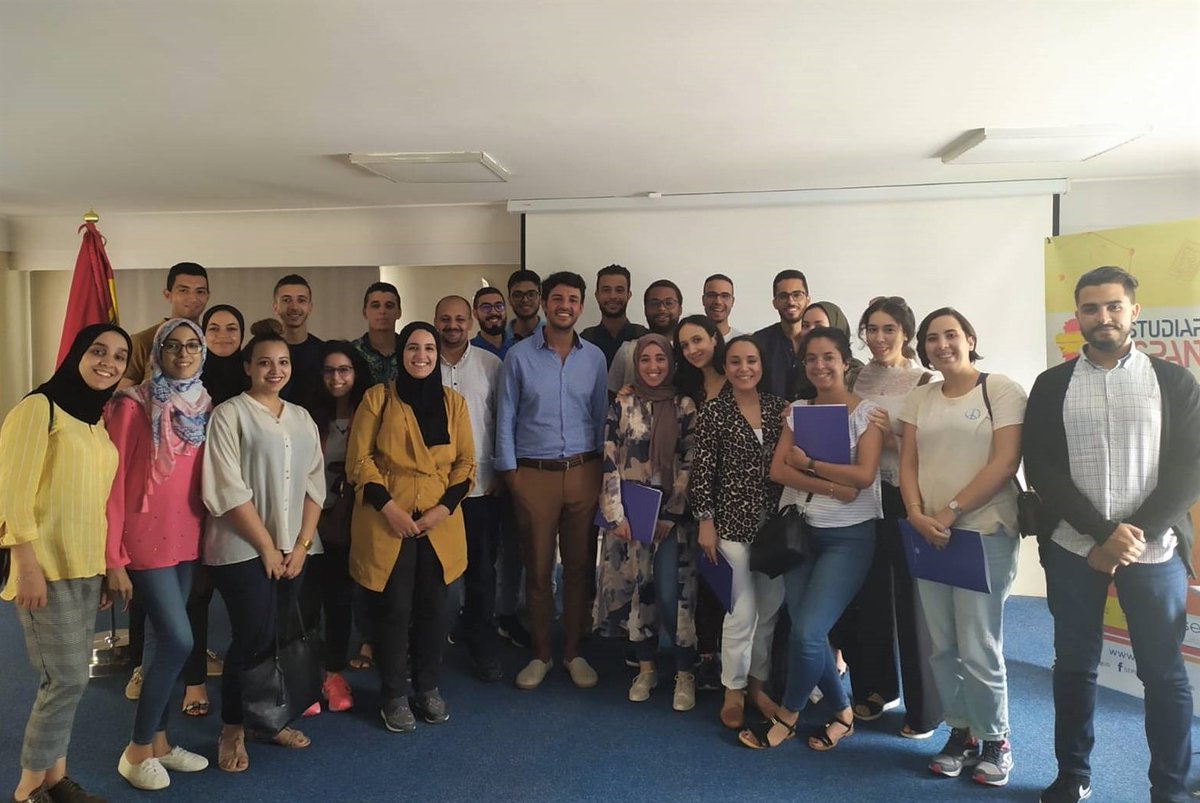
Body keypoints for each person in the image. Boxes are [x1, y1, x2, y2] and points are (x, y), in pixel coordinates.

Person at [1024, 267, 1200, 803]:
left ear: (1133, 312)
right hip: (1075, 548)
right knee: (1074, 665)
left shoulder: (1173, 381)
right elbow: (1042, 470)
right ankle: (1072, 775)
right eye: (1091, 308)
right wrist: (1102, 534)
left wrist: (1134, 534)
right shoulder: (1052, 384)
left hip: (1156, 552)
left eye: (1113, 307)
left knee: (1163, 673)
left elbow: (1189, 468)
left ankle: (1169, 788)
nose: (1103, 317)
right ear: (1077, 316)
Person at [1, 323, 130, 803]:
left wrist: (100, 566)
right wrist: (25, 563)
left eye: (119, 356)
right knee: (67, 679)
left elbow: (91, 501)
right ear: (77, 353)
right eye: (98, 351)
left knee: (68, 680)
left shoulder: (95, 420)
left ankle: (56, 779)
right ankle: (27, 789)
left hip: (82, 565)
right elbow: (12, 494)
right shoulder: (40, 409)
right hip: (45, 568)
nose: (108, 363)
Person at [739, 326, 883, 752]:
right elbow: (779, 471)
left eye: (828, 357)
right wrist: (832, 485)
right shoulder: (798, 410)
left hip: (849, 538)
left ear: (845, 362)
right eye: (811, 359)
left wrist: (813, 465)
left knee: (807, 632)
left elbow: (864, 477)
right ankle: (842, 711)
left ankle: (788, 714)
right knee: (809, 633)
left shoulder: (867, 413)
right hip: (800, 534)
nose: (820, 366)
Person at [899, 307, 1026, 786]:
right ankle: (961, 733)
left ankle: (996, 738)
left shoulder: (1001, 390)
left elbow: (1003, 462)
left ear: (970, 338)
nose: (941, 345)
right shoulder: (922, 397)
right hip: (928, 533)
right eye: (932, 338)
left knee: (979, 645)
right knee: (942, 646)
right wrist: (914, 513)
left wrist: (948, 512)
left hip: (981, 533)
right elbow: (908, 462)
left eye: (951, 335)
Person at [202, 331, 325, 772]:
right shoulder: (230, 414)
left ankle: (269, 720)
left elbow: (315, 485)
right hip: (241, 549)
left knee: (282, 637)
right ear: (248, 368)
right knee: (252, 638)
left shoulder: (301, 417)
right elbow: (226, 489)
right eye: (265, 362)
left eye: (283, 362)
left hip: (296, 548)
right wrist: (266, 547)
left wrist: (302, 545)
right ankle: (233, 727)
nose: (275, 370)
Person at [346, 322, 476, 732]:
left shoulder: (453, 403)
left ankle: (427, 686)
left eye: (429, 349)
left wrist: (442, 510)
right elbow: (360, 461)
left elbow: (465, 464)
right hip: (390, 521)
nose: (421, 356)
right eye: (413, 348)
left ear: (438, 356)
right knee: (395, 610)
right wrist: (390, 509)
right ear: (400, 353)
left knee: (437, 610)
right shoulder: (378, 399)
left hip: (440, 521)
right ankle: (393, 694)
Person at [104, 319, 212, 790]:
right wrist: (114, 555)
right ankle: (135, 749)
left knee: (157, 644)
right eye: (174, 345)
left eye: (193, 345)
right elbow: (109, 484)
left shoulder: (205, 404)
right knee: (180, 640)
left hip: (188, 535)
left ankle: (161, 744)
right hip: (143, 538)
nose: (184, 353)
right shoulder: (132, 405)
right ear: (157, 351)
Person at [495, 271, 608, 690]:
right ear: (544, 303)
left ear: (581, 306)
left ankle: (573, 652)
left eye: (573, 299)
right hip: (533, 475)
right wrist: (510, 474)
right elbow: (504, 416)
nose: (565, 305)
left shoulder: (594, 357)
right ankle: (541, 653)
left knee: (579, 568)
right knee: (539, 570)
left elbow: (600, 416)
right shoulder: (519, 357)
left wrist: (601, 473)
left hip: (584, 472)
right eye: (557, 297)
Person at [838, 296, 939, 739]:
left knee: (913, 604)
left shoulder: (924, 380)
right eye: (871, 330)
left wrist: (887, 438)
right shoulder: (857, 375)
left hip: (903, 495)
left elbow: (929, 451)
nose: (878, 339)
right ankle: (875, 689)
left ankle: (924, 708)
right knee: (867, 597)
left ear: (906, 334)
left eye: (888, 330)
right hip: (862, 496)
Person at [687, 335, 788, 730]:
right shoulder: (715, 412)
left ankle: (757, 687)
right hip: (731, 526)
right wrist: (705, 522)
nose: (744, 368)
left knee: (769, 613)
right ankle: (732, 689)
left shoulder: (780, 409)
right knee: (741, 613)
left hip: (775, 528)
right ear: (725, 366)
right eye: (735, 362)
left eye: (751, 361)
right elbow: (701, 474)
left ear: (761, 366)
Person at [594, 334, 699, 709]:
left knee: (674, 595)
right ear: (635, 364)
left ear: (670, 363)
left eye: (660, 359)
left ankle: (684, 672)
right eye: (645, 360)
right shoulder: (621, 402)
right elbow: (608, 457)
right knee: (639, 590)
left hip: (671, 518)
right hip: (631, 514)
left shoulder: (684, 405)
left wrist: (672, 512)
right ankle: (646, 667)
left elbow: (690, 461)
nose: (653, 366)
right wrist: (615, 516)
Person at [177, 304, 249, 719]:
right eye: (215, 328)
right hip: (191, 496)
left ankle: (247, 678)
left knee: (242, 590)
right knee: (197, 592)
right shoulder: (188, 380)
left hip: (240, 494)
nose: (224, 334)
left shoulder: (250, 376)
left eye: (232, 328)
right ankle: (195, 680)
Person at [435, 296, 505, 681]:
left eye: (459, 318)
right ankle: (427, 645)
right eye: (445, 319)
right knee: (433, 574)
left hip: (480, 488)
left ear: (470, 321)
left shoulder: (491, 364)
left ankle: (480, 642)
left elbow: (502, 423)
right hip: (432, 492)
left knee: (481, 570)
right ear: (435, 321)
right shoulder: (422, 363)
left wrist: (500, 474)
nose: (453, 325)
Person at [306, 341, 374, 714]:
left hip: (353, 521)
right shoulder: (305, 415)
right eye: (330, 371)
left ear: (356, 374)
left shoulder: (371, 412)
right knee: (307, 601)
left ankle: (333, 674)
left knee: (340, 600)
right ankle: (305, 677)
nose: (337, 378)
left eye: (344, 370)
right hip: (307, 521)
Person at [672, 315, 727, 692]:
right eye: (685, 345)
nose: (692, 350)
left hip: (738, 496)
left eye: (698, 340)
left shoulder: (743, 375)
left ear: (714, 337)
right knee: (704, 580)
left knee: (737, 579)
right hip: (697, 495)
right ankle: (708, 657)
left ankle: (742, 662)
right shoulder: (685, 387)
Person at [120, 262, 210, 389]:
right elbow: (120, 398)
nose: (193, 298)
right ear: (168, 295)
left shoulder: (212, 340)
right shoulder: (143, 341)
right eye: (183, 290)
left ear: (207, 296)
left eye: (200, 291)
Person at [608, 279, 683, 393]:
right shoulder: (628, 351)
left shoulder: (689, 351)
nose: (662, 308)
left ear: (680, 309)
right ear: (645, 309)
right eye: (654, 303)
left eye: (669, 303)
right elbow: (610, 397)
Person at [754, 269, 809, 400]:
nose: (791, 301)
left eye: (797, 295)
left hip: (813, 416)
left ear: (808, 299)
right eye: (783, 296)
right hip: (770, 418)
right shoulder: (759, 342)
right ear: (775, 303)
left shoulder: (820, 341)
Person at [581, 264, 647, 368]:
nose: (613, 296)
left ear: (628, 295)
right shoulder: (584, 341)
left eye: (619, 290)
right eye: (606, 290)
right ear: (597, 295)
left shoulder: (644, 337)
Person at [273, 274, 324, 407]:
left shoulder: (324, 352)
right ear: (275, 307)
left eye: (301, 300)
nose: (294, 307)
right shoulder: (261, 352)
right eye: (286, 300)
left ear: (310, 307)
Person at [352, 281, 403, 386]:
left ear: (399, 312)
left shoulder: (409, 350)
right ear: (364, 312)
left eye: (389, 306)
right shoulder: (352, 352)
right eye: (375, 306)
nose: (382, 311)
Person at [470, 285, 515, 360]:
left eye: (499, 306)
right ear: (475, 313)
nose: (493, 312)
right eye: (486, 307)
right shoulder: (468, 351)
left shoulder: (518, 347)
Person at [506, 269, 544, 343]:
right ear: (509, 299)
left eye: (531, 294)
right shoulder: (500, 338)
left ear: (540, 298)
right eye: (518, 295)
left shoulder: (552, 334)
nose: (525, 300)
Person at [701, 273, 743, 339]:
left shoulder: (742, 343)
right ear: (703, 300)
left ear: (732, 301)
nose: (718, 302)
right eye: (712, 295)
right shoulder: (689, 341)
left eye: (725, 296)